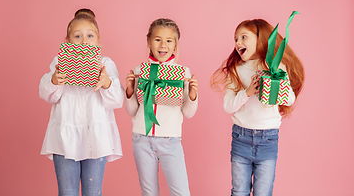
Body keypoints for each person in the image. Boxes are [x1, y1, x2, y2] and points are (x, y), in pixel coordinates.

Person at [211, 15, 304, 196]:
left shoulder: (275, 67)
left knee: (263, 192)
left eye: (244, 37)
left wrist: (273, 88)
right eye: (236, 39)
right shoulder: (236, 69)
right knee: (239, 192)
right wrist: (247, 92)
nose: (238, 42)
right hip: (241, 138)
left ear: (260, 39)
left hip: (268, 139)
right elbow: (228, 106)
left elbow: (290, 99)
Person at [39, 8, 124, 196]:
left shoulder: (106, 64)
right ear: (67, 41)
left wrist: (107, 83)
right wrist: (54, 80)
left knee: (93, 192)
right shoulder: (59, 62)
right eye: (77, 36)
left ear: (98, 40)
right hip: (64, 138)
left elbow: (117, 100)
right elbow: (46, 94)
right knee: (67, 191)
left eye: (90, 35)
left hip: (96, 138)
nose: (84, 41)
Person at [125, 18, 198, 196]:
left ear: (175, 45)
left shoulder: (184, 73)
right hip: (141, 139)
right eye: (158, 39)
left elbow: (189, 113)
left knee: (181, 192)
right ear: (149, 41)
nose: (163, 45)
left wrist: (193, 95)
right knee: (148, 193)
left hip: (171, 140)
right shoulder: (139, 69)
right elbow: (132, 111)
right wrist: (128, 91)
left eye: (169, 40)